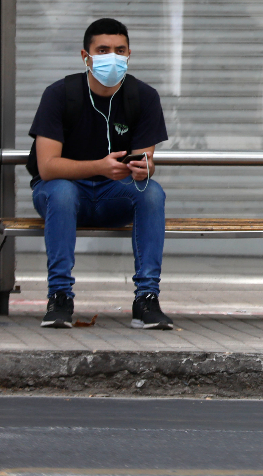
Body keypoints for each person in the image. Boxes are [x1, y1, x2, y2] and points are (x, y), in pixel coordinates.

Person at [28, 18, 172, 330]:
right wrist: (99, 166)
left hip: (113, 196)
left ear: (129, 54)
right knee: (62, 191)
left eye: (120, 51)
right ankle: (60, 297)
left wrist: (143, 168)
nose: (112, 58)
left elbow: (147, 160)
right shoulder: (59, 94)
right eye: (103, 50)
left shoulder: (143, 97)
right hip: (62, 196)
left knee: (152, 192)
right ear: (86, 56)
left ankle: (147, 298)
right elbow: (48, 167)